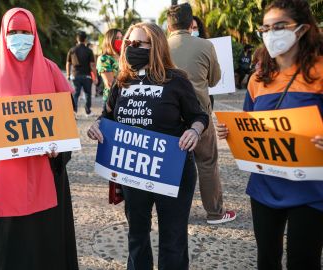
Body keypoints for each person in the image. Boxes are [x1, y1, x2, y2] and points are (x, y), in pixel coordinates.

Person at [0, 8, 78, 270]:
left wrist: (60, 150)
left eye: (25, 32)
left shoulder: (50, 69)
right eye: (13, 32)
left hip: (46, 177)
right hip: (3, 181)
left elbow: (67, 121)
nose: (19, 38)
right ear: (3, 33)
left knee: (47, 252)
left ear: (35, 34)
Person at [88, 22, 209, 270]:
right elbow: (107, 116)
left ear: (155, 46)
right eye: (128, 44)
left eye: (138, 44)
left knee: (173, 240)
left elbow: (199, 116)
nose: (131, 48)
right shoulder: (122, 82)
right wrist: (96, 126)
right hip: (133, 172)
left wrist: (194, 131)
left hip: (172, 172)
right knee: (137, 237)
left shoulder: (176, 80)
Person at [217, 0, 323, 269]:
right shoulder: (257, 78)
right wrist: (231, 131)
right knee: (266, 259)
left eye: (280, 26)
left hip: (311, 190)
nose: (271, 33)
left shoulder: (320, 71)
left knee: (304, 261)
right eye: (266, 27)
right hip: (265, 187)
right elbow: (250, 124)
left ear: (301, 29)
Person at [167, 3, 236, 225]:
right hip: (200, 115)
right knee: (207, 162)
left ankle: (173, 212)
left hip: (169, 116)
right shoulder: (205, 45)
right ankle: (215, 213)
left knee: (171, 164)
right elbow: (214, 80)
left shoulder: (160, 47)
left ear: (169, 25)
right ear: (191, 24)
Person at [66, 31, 98, 116]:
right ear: (85, 39)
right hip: (87, 76)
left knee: (76, 94)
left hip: (75, 75)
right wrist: (95, 77)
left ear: (77, 39)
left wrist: (68, 74)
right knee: (88, 94)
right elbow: (92, 65)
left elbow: (68, 63)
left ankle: (74, 112)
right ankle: (88, 112)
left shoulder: (72, 50)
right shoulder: (89, 51)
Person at [191, 16, 216, 109]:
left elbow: (214, 77)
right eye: (190, 28)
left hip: (204, 96)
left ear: (199, 29)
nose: (192, 31)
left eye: (194, 28)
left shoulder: (207, 47)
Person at [96, 28, 122, 110]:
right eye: (117, 38)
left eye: (121, 38)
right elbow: (110, 83)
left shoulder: (123, 57)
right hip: (112, 100)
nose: (120, 41)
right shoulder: (104, 58)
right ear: (110, 40)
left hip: (125, 98)